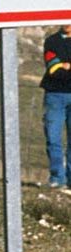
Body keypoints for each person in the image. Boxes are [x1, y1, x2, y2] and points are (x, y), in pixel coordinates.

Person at [40, 24, 71, 189]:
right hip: (54, 95)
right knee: (53, 138)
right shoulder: (51, 41)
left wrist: (65, 65)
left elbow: (59, 67)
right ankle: (57, 178)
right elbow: (53, 69)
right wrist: (61, 66)